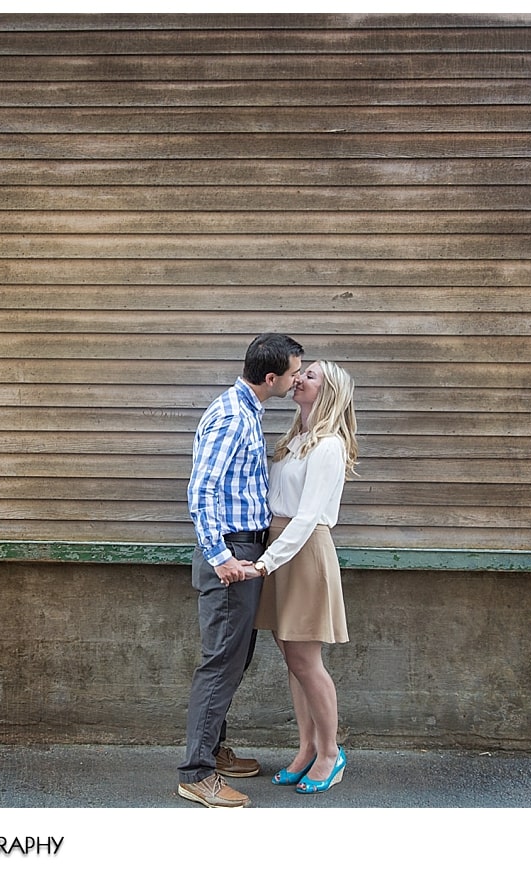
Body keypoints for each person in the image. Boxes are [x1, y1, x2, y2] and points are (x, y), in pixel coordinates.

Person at [177, 333, 304, 808]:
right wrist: (221, 557)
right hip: (230, 551)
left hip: (246, 548)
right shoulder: (232, 416)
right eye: (294, 373)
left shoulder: (248, 409)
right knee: (221, 661)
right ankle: (197, 772)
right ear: (270, 377)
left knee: (237, 655)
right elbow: (201, 491)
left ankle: (212, 750)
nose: (297, 380)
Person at [242, 360, 358, 794]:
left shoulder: (327, 445)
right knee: (293, 661)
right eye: (302, 372)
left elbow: (308, 517)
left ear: (328, 392)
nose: (300, 378)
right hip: (279, 547)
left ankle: (331, 753)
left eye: (312, 376)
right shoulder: (297, 441)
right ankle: (307, 746)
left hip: (301, 552)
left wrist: (265, 562)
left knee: (308, 662)